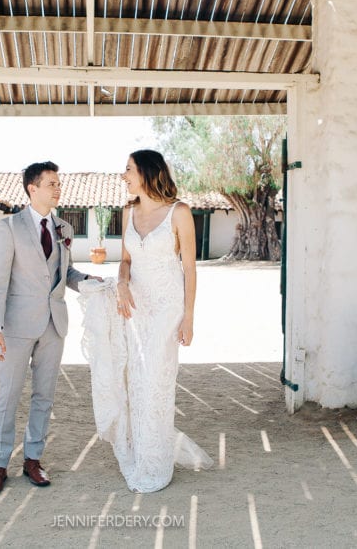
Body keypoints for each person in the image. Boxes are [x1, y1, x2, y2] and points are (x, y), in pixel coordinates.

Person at [80, 149, 213, 493]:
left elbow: (189, 268)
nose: (123, 175)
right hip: (134, 310)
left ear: (147, 172)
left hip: (167, 311)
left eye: (128, 169)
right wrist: (121, 283)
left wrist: (189, 317)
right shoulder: (129, 212)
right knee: (135, 382)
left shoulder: (179, 213)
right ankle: (141, 453)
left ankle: (155, 463)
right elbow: (124, 260)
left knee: (155, 381)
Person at [0, 161, 99, 496]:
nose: (58, 189)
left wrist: (91, 282)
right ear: (32, 189)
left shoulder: (64, 227)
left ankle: (33, 459)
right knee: (7, 396)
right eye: (51, 184)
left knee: (44, 397)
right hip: (17, 326)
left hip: (54, 324)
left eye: (58, 183)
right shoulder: (9, 227)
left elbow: (67, 274)